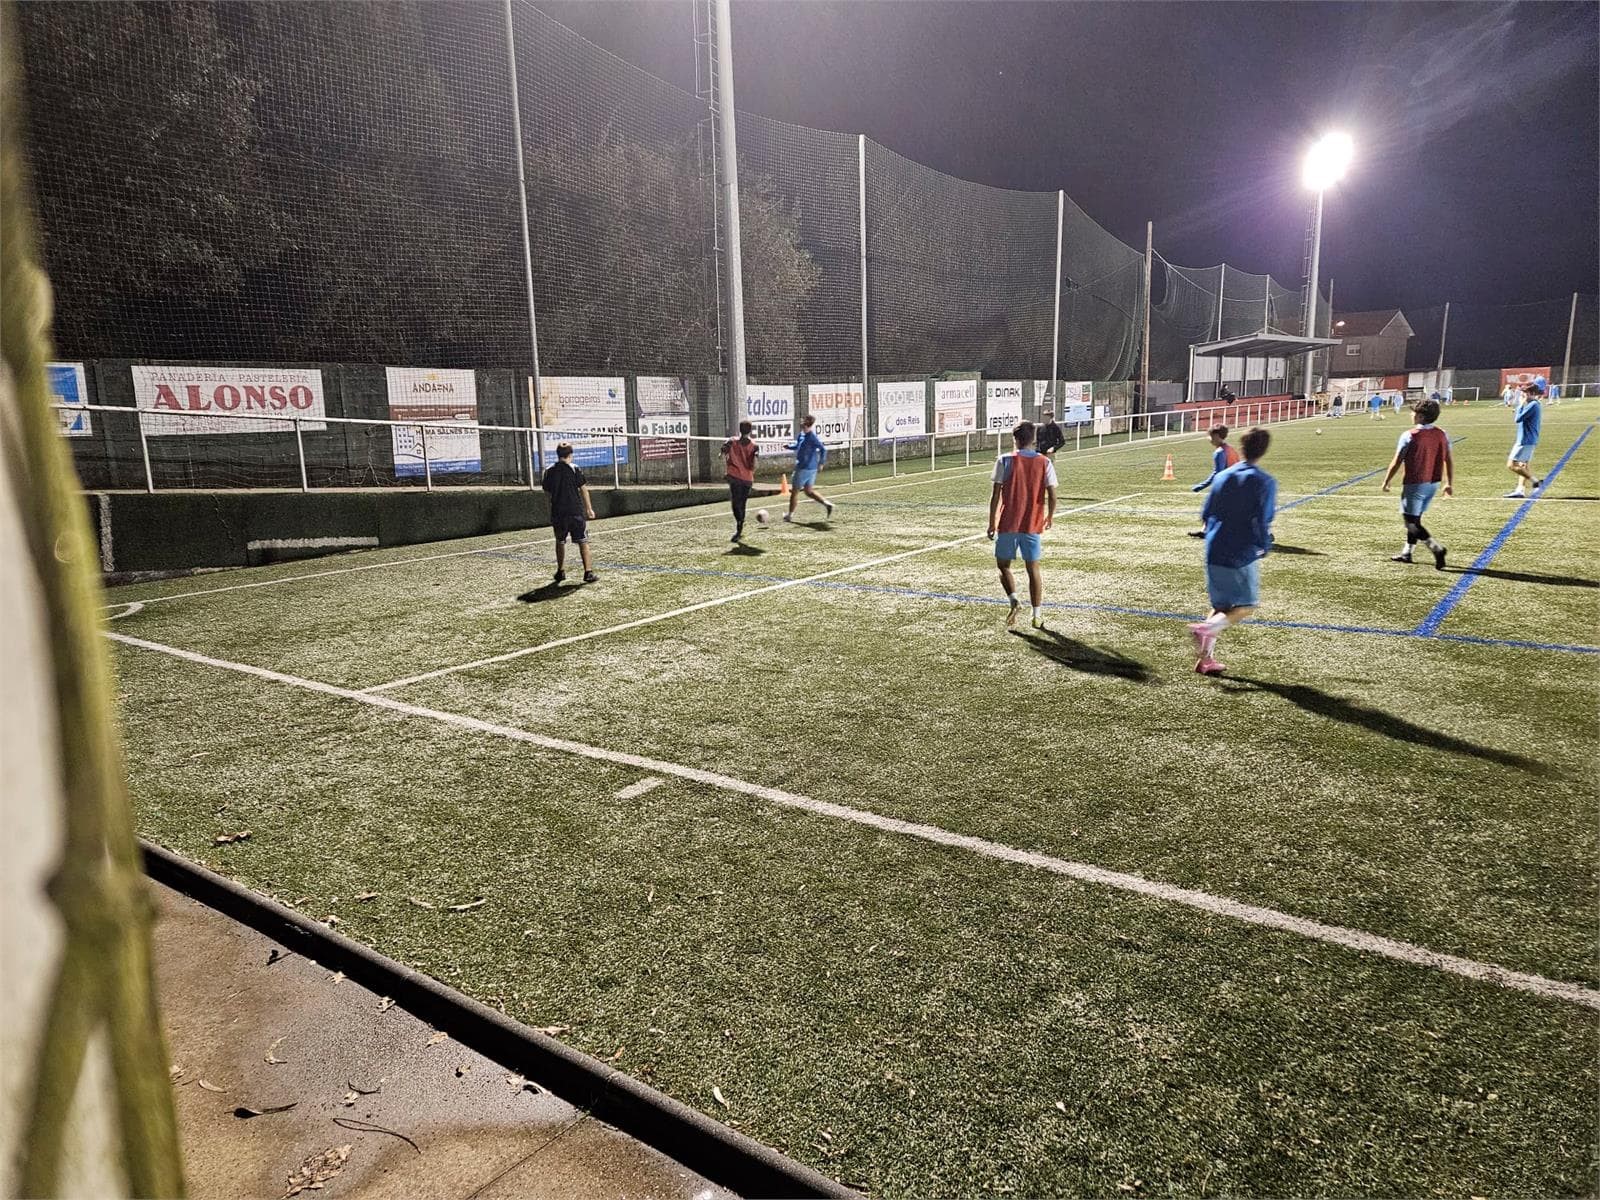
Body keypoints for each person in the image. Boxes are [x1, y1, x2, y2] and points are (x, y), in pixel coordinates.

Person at [1188, 427, 1275, 677]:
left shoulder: (1223, 477)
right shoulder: (1264, 481)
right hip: (1241, 550)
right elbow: (1262, 519)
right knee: (1246, 605)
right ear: (1263, 451)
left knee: (1220, 606)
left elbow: (1206, 513)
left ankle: (1205, 660)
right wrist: (1263, 546)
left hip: (1215, 547)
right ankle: (1206, 629)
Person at [987, 420, 1058, 630]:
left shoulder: (1004, 459)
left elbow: (995, 495)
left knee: (1003, 565)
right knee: (1033, 569)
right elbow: (1052, 494)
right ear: (1034, 439)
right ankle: (1037, 616)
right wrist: (1050, 517)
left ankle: (1014, 599)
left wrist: (992, 522)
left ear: (1015, 439)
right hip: (1032, 524)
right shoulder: (1044, 462)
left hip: (1008, 523)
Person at [1380, 397, 1452, 569]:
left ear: (1419, 416)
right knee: (1415, 519)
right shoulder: (1442, 433)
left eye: (1413, 412)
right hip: (1433, 483)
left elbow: (1397, 461)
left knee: (1410, 523)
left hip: (1415, 483)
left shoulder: (1410, 435)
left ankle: (1436, 548)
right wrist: (1449, 483)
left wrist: (1386, 481)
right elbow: (1448, 459)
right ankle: (1407, 552)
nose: (1411, 415)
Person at [541, 442, 598, 584]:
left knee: (560, 541)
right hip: (575, 511)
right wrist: (589, 508)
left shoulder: (549, 470)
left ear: (558, 454)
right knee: (583, 541)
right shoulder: (575, 469)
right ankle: (588, 572)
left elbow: (547, 494)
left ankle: (561, 571)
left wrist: (550, 511)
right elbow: (583, 489)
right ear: (570, 454)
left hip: (558, 513)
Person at [1187, 424, 1240, 538]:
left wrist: (1201, 486)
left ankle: (1262, 534)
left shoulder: (1219, 452)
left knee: (1212, 508)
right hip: (1237, 484)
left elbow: (1218, 473)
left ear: (1216, 436)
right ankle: (1205, 530)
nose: (1208, 439)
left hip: (1226, 486)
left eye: (1210, 436)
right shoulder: (1230, 449)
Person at [783, 414, 835, 522]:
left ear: (807, 423)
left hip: (804, 468)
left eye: (803, 421)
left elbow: (823, 449)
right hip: (810, 469)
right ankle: (827, 504)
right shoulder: (802, 435)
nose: (801, 422)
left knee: (794, 492)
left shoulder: (812, 437)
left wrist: (821, 463)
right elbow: (798, 445)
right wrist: (789, 446)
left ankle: (789, 515)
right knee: (808, 491)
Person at [720, 420, 760, 543]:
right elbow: (756, 465)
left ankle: (739, 525)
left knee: (737, 504)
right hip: (744, 478)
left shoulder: (731, 441)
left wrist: (724, 466)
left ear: (740, 429)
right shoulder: (754, 446)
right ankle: (739, 525)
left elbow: (721, 453)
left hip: (737, 477)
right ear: (750, 430)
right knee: (740, 503)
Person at [1506, 379, 1546, 498]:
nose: (1523, 394)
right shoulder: (1534, 404)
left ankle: (1535, 482)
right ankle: (1520, 490)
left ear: (1532, 393)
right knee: (1523, 465)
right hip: (1529, 439)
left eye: (1525, 392)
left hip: (1525, 440)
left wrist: (1520, 404)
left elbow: (1517, 419)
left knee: (1511, 464)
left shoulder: (1533, 405)